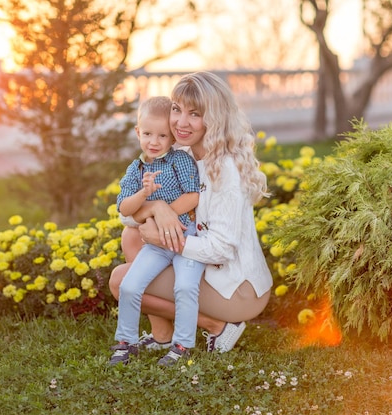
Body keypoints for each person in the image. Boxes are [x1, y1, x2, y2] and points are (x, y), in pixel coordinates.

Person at [110, 71, 273, 356]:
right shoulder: (180, 154)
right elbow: (126, 215)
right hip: (201, 266)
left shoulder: (225, 171)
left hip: (235, 287)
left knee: (121, 281)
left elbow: (221, 249)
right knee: (131, 236)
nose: (180, 122)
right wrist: (158, 207)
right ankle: (162, 336)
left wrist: (164, 238)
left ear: (214, 119)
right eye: (176, 109)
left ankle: (218, 324)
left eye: (194, 114)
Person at [109, 96, 206, 367]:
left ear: (172, 137)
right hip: (156, 244)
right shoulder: (136, 169)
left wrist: (165, 214)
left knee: (185, 286)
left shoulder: (180, 161)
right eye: (148, 134)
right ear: (138, 132)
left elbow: (192, 197)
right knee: (129, 285)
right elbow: (126, 208)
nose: (154, 141)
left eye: (162, 135)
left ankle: (182, 344)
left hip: (186, 238)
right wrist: (145, 193)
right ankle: (125, 341)